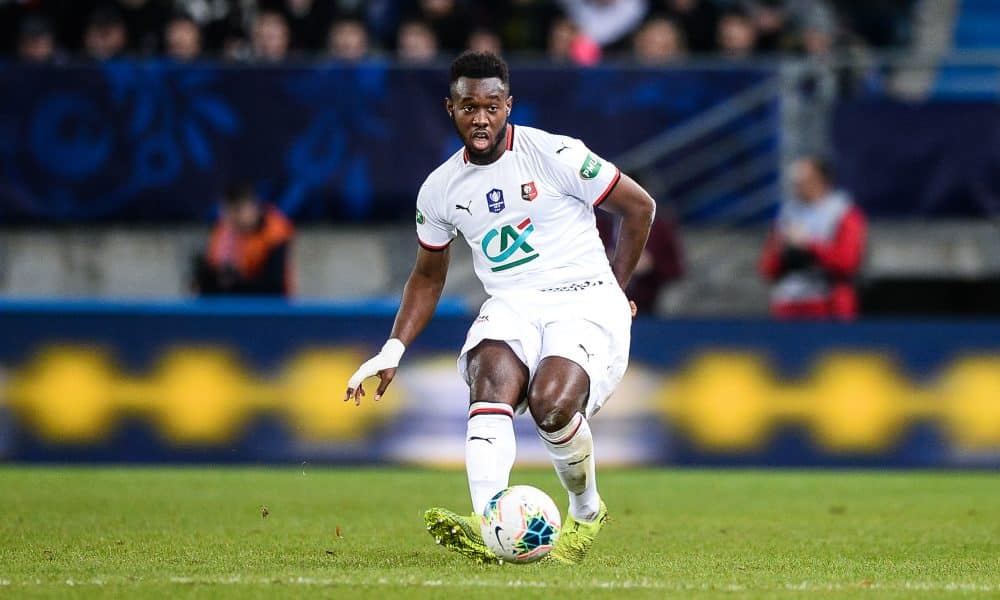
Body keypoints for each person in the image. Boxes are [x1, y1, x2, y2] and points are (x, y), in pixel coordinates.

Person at [344, 51, 655, 565]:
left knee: (551, 406)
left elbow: (639, 207)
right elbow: (426, 276)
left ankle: (586, 508)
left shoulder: (555, 154)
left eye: (492, 105)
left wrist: (615, 290)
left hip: (583, 297)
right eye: (469, 106)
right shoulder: (440, 189)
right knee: (489, 373)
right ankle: (488, 519)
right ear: (451, 109)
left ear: (509, 105)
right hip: (511, 302)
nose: (481, 117)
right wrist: (393, 348)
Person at [759, 156, 866, 319]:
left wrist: (810, 246)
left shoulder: (843, 213)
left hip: (828, 304)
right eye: (796, 181)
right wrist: (783, 252)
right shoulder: (788, 213)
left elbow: (847, 261)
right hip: (790, 303)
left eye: (804, 180)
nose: (798, 185)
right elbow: (768, 267)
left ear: (821, 180)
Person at [194, 183, 295, 297]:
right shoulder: (224, 231)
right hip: (230, 305)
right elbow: (212, 281)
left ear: (252, 207)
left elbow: (275, 286)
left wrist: (235, 283)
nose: (233, 219)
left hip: (270, 306)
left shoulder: (275, 232)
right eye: (228, 213)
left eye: (238, 211)